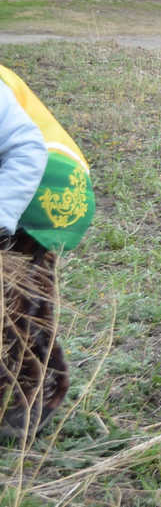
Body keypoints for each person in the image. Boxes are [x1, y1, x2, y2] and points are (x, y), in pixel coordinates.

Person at [1, 64, 95, 439]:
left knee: (19, 303)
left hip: (48, 188)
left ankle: (40, 393)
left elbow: (26, 148)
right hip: (11, 184)